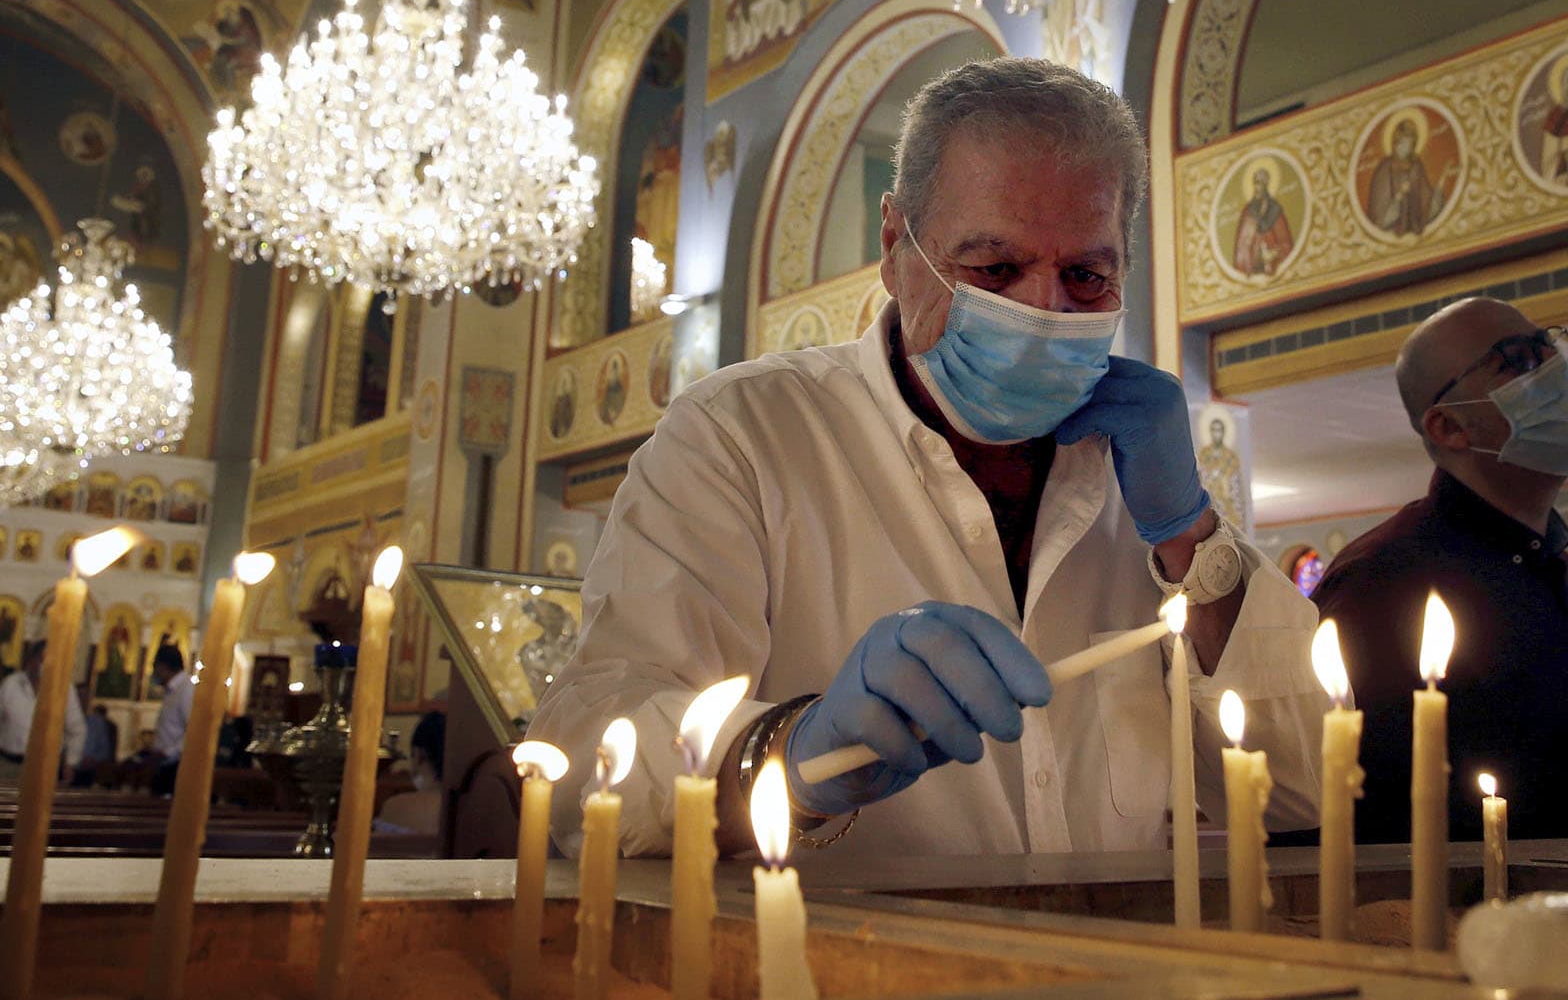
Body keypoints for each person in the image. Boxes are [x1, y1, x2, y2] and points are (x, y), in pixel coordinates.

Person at [530, 58, 1326, 857]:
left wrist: (1193, 539)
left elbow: (1303, 790)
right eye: (994, 268)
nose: (1042, 312)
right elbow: (582, 760)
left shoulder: (1139, 484)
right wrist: (786, 752)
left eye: (1086, 275)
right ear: (893, 244)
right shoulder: (742, 435)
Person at [1311, 298, 1568, 841]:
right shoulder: (1382, 583)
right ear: (1449, 426)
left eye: (1549, 347)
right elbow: (1347, 809)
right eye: (1516, 360)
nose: (1553, 371)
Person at [0, 639, 79, 784]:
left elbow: (76, 728)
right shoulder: (11, 684)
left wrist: (70, 762)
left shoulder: (64, 689)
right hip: (6, 764)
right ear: (31, 660)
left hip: (42, 767)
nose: (44, 665)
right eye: (41, 659)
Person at [150, 643, 194, 795]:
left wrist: (168, 752)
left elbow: (193, 731)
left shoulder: (186, 689)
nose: (153, 672)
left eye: (154, 666)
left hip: (176, 766)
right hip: (164, 764)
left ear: (163, 666)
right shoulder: (172, 690)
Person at [75, 693, 119, 787]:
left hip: (92, 765)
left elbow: (105, 746)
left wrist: (92, 759)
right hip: (75, 764)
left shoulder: (97, 722)